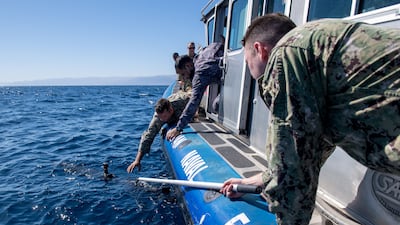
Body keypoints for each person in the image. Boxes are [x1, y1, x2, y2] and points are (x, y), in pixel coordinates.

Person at [220, 13, 400, 225]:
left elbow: (295, 163)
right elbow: (313, 147)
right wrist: (259, 180)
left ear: (260, 50)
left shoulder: (286, 54)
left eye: (248, 61)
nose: (251, 72)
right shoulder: (317, 48)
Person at [166, 42, 224, 140]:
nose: (184, 78)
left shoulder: (199, 74)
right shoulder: (202, 55)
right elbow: (217, 44)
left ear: (188, 66)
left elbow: (193, 102)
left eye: (183, 74)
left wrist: (178, 128)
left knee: (216, 106)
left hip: (234, 79)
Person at [127, 91, 191, 173]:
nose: (162, 120)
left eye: (164, 116)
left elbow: (194, 102)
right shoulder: (158, 117)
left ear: (170, 110)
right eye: (160, 117)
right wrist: (137, 160)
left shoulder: (183, 101)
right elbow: (148, 135)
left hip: (184, 98)